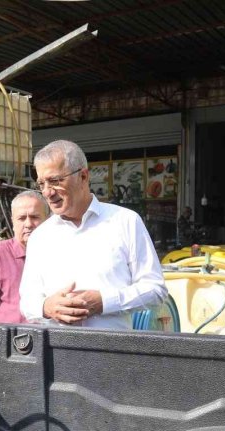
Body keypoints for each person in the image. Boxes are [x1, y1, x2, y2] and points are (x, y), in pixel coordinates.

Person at [19, 140, 168, 330]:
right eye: (41, 183)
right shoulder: (40, 237)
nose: (47, 192)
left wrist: (104, 302)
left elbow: (155, 290)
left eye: (55, 181)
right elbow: (27, 301)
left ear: (83, 176)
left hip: (111, 354)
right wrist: (46, 307)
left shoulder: (125, 221)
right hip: (57, 354)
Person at [0, 191, 49, 323]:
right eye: (22, 218)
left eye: (35, 217)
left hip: (49, 338)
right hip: (6, 340)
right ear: (12, 222)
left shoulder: (58, 254)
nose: (28, 224)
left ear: (48, 220)